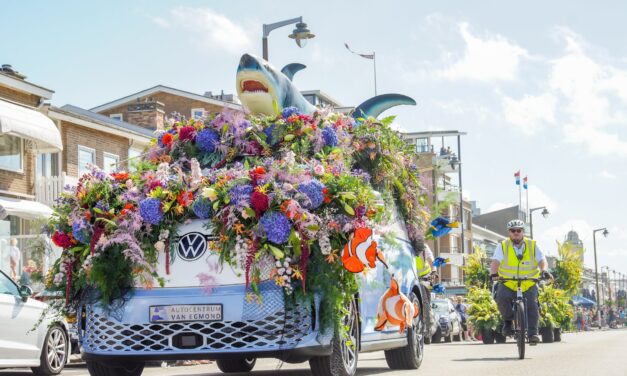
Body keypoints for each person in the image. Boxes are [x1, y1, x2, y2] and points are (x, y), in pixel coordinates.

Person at [490, 219, 551, 345]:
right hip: (508, 282)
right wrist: (494, 274)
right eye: (513, 231)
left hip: (528, 282)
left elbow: (541, 260)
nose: (516, 233)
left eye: (519, 230)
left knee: (532, 305)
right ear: (509, 233)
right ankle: (507, 322)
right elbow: (495, 262)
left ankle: (533, 333)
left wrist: (544, 271)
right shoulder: (502, 246)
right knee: (501, 298)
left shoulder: (532, 245)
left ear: (523, 232)